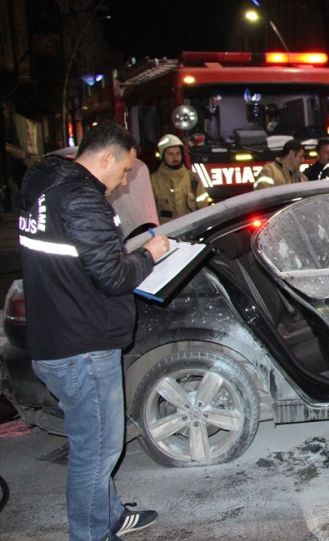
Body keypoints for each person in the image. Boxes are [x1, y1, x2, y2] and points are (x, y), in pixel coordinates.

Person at [17, 121, 169, 541]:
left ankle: (109, 516)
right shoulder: (82, 198)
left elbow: (83, 261)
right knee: (98, 451)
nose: (124, 181)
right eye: (124, 170)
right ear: (105, 157)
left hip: (57, 338)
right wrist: (150, 254)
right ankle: (91, 533)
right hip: (82, 346)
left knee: (94, 442)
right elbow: (114, 276)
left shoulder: (45, 187)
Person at [150, 134, 209, 222]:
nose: (175, 157)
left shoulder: (193, 178)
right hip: (166, 229)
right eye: (170, 154)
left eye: (178, 153)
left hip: (190, 227)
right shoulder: (153, 181)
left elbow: (203, 206)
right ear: (163, 156)